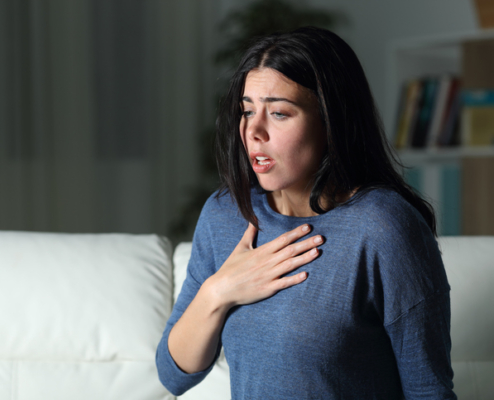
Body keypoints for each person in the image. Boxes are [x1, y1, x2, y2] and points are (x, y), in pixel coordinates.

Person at [156, 26, 456, 399]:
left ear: (332, 120)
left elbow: (429, 393)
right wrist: (221, 290)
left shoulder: (384, 227)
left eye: (279, 113)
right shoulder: (225, 214)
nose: (254, 131)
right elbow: (173, 375)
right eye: (247, 111)